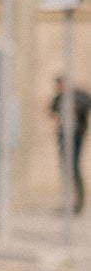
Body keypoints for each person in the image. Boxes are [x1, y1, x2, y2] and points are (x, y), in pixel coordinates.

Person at [49, 75, 90, 214]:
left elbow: (86, 104)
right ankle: (69, 201)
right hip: (63, 137)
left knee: (74, 167)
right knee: (66, 168)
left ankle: (78, 202)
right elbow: (51, 110)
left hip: (76, 136)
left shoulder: (79, 95)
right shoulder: (58, 99)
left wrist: (75, 106)